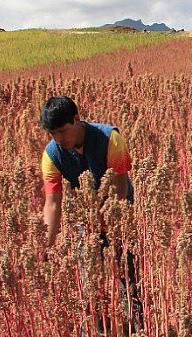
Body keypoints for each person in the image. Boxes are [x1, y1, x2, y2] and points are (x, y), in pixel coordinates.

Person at [39, 96, 133, 247]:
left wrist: (103, 221)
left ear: (76, 119)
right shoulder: (51, 155)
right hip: (86, 220)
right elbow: (52, 204)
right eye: (53, 133)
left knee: (126, 266)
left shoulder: (110, 139)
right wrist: (45, 247)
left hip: (119, 215)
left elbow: (120, 188)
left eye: (63, 131)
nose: (59, 139)